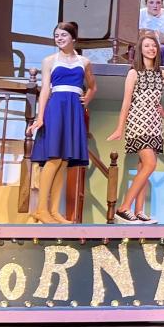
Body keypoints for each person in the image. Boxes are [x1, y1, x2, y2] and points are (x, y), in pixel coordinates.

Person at [107, 31, 164, 223]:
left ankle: (140, 211)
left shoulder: (163, 74)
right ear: (140, 50)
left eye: (153, 46)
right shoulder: (133, 73)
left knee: (144, 166)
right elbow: (126, 103)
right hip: (137, 122)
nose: (151, 49)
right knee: (150, 164)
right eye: (147, 46)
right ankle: (124, 207)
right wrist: (120, 128)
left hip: (155, 124)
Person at [28, 22, 96, 224]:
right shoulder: (49, 60)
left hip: (74, 108)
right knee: (54, 158)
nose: (59, 38)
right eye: (56, 35)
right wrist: (40, 117)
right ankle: (41, 209)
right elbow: (45, 90)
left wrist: (87, 98)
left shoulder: (84, 62)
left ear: (73, 38)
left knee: (65, 160)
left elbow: (92, 86)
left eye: (63, 35)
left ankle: (55, 211)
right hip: (56, 107)